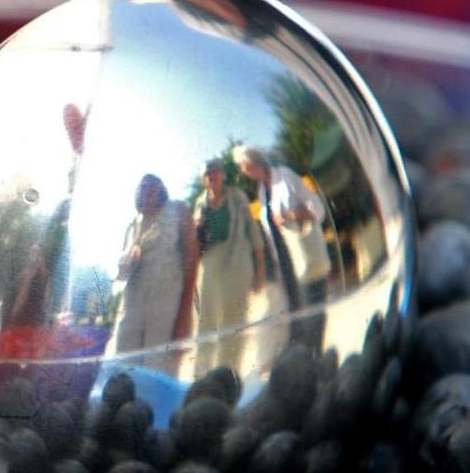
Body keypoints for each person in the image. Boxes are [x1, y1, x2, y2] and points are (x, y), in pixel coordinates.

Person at [232, 145, 330, 352]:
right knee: (296, 311)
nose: (242, 170)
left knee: (312, 309)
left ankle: (315, 357)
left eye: (242, 165)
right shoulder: (261, 191)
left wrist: (289, 216)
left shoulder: (285, 176)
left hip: (305, 255)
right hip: (286, 262)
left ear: (253, 163)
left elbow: (316, 207)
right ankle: (300, 358)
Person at [192, 160, 265, 375]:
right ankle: (202, 376)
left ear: (222, 174)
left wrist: (259, 268)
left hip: (237, 264)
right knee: (206, 324)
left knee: (233, 323)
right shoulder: (200, 203)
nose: (212, 176)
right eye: (207, 173)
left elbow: (253, 231)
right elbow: (195, 242)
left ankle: (227, 376)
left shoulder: (238, 197)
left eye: (215, 171)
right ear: (204, 180)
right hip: (210, 267)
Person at [113, 174, 198, 355]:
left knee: (158, 369)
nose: (148, 188)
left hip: (166, 311)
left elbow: (191, 258)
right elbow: (120, 275)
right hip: (131, 313)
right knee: (125, 370)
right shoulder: (132, 226)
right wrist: (129, 260)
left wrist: (184, 317)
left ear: (162, 189)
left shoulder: (178, 210)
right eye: (143, 186)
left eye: (153, 184)